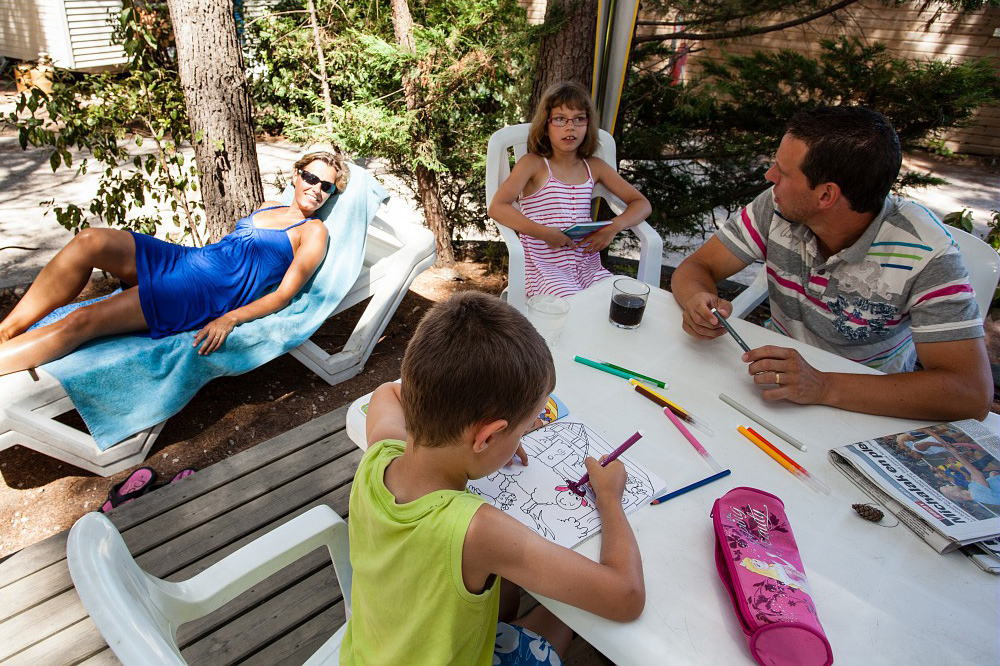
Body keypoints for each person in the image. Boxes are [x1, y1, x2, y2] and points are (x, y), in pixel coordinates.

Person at [342, 291, 645, 665]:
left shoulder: (381, 452)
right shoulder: (477, 530)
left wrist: (488, 440)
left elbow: (387, 392)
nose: (526, 435)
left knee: (508, 594)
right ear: (487, 435)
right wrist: (610, 498)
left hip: (372, 653)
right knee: (568, 619)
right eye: (522, 430)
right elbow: (625, 596)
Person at [671, 106, 991, 421]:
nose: (770, 177)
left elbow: (970, 393)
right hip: (770, 390)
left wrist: (822, 386)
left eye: (783, 172)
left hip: (870, 411)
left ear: (826, 195)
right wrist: (696, 299)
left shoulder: (926, 251)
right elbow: (697, 268)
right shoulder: (777, 207)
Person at [0, 151, 346, 379]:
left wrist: (230, 318)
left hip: (201, 291)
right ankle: (5, 330)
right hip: (188, 260)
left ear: (331, 194)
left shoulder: (313, 232)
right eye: (311, 177)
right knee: (90, 241)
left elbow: (283, 295)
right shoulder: (269, 205)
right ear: (296, 175)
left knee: (82, 321)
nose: (316, 188)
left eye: (326, 187)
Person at [488, 81, 651, 298]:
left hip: (587, 266)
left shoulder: (594, 166)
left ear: (588, 124)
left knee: (613, 299)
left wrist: (613, 227)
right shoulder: (533, 164)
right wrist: (544, 233)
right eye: (560, 119)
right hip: (544, 268)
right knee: (572, 305)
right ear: (546, 124)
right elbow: (497, 207)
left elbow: (642, 204)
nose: (570, 127)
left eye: (579, 119)